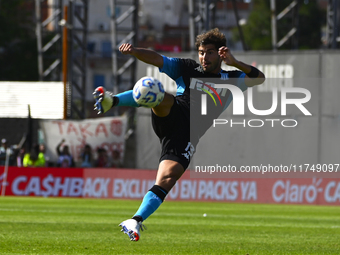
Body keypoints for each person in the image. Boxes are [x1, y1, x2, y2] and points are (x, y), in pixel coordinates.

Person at [93, 28, 265, 241]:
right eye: (201, 52)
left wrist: (235, 62)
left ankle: (135, 220)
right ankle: (113, 101)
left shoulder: (233, 79)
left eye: (209, 52)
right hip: (173, 113)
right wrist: (136, 51)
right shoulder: (188, 67)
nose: (204, 57)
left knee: (168, 177)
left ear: (220, 53)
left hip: (187, 134)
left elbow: (259, 78)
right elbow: (158, 59)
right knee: (152, 88)